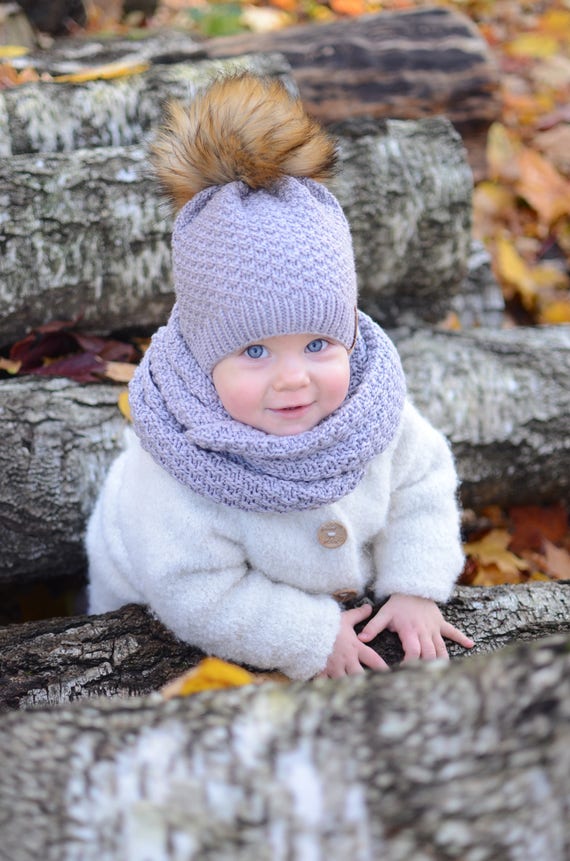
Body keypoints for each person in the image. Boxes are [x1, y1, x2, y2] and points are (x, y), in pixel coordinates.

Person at [87, 73, 474, 680]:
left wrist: (414, 585)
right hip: (157, 611)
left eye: (318, 344)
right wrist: (307, 635)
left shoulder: (373, 411)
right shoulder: (181, 463)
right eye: (256, 353)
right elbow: (193, 588)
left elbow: (422, 485)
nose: (294, 379)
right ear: (205, 356)